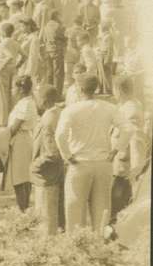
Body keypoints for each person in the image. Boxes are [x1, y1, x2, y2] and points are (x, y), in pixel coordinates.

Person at [55, 74, 130, 233]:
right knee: (101, 209)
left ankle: (76, 248)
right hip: (103, 162)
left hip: (80, 163)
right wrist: (115, 150)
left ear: (80, 89)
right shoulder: (109, 107)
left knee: (74, 209)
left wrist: (67, 156)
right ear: (96, 88)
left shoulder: (71, 109)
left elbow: (60, 135)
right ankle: (98, 246)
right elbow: (128, 129)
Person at [30, 84, 65, 235]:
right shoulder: (58, 113)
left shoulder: (49, 119)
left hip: (47, 174)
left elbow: (51, 152)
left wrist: (36, 165)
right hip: (55, 172)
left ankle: (46, 246)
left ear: (44, 101)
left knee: (46, 215)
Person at [111, 76, 145, 222]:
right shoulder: (127, 106)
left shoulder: (131, 110)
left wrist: (136, 170)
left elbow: (136, 139)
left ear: (119, 90)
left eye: (114, 89)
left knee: (120, 204)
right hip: (121, 165)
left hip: (125, 168)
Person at [7, 75, 37, 211]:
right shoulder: (27, 102)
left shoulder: (25, 104)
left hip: (21, 140)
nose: (12, 90)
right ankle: (24, 206)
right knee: (24, 176)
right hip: (24, 139)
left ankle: (22, 208)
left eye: (14, 87)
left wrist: (5, 140)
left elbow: (14, 127)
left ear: (20, 89)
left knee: (19, 178)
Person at [40, 11, 67, 93]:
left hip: (48, 51)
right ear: (57, 16)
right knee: (58, 73)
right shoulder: (58, 26)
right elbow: (61, 37)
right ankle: (58, 93)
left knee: (49, 73)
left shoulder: (46, 26)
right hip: (57, 51)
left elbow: (44, 39)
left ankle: (49, 92)